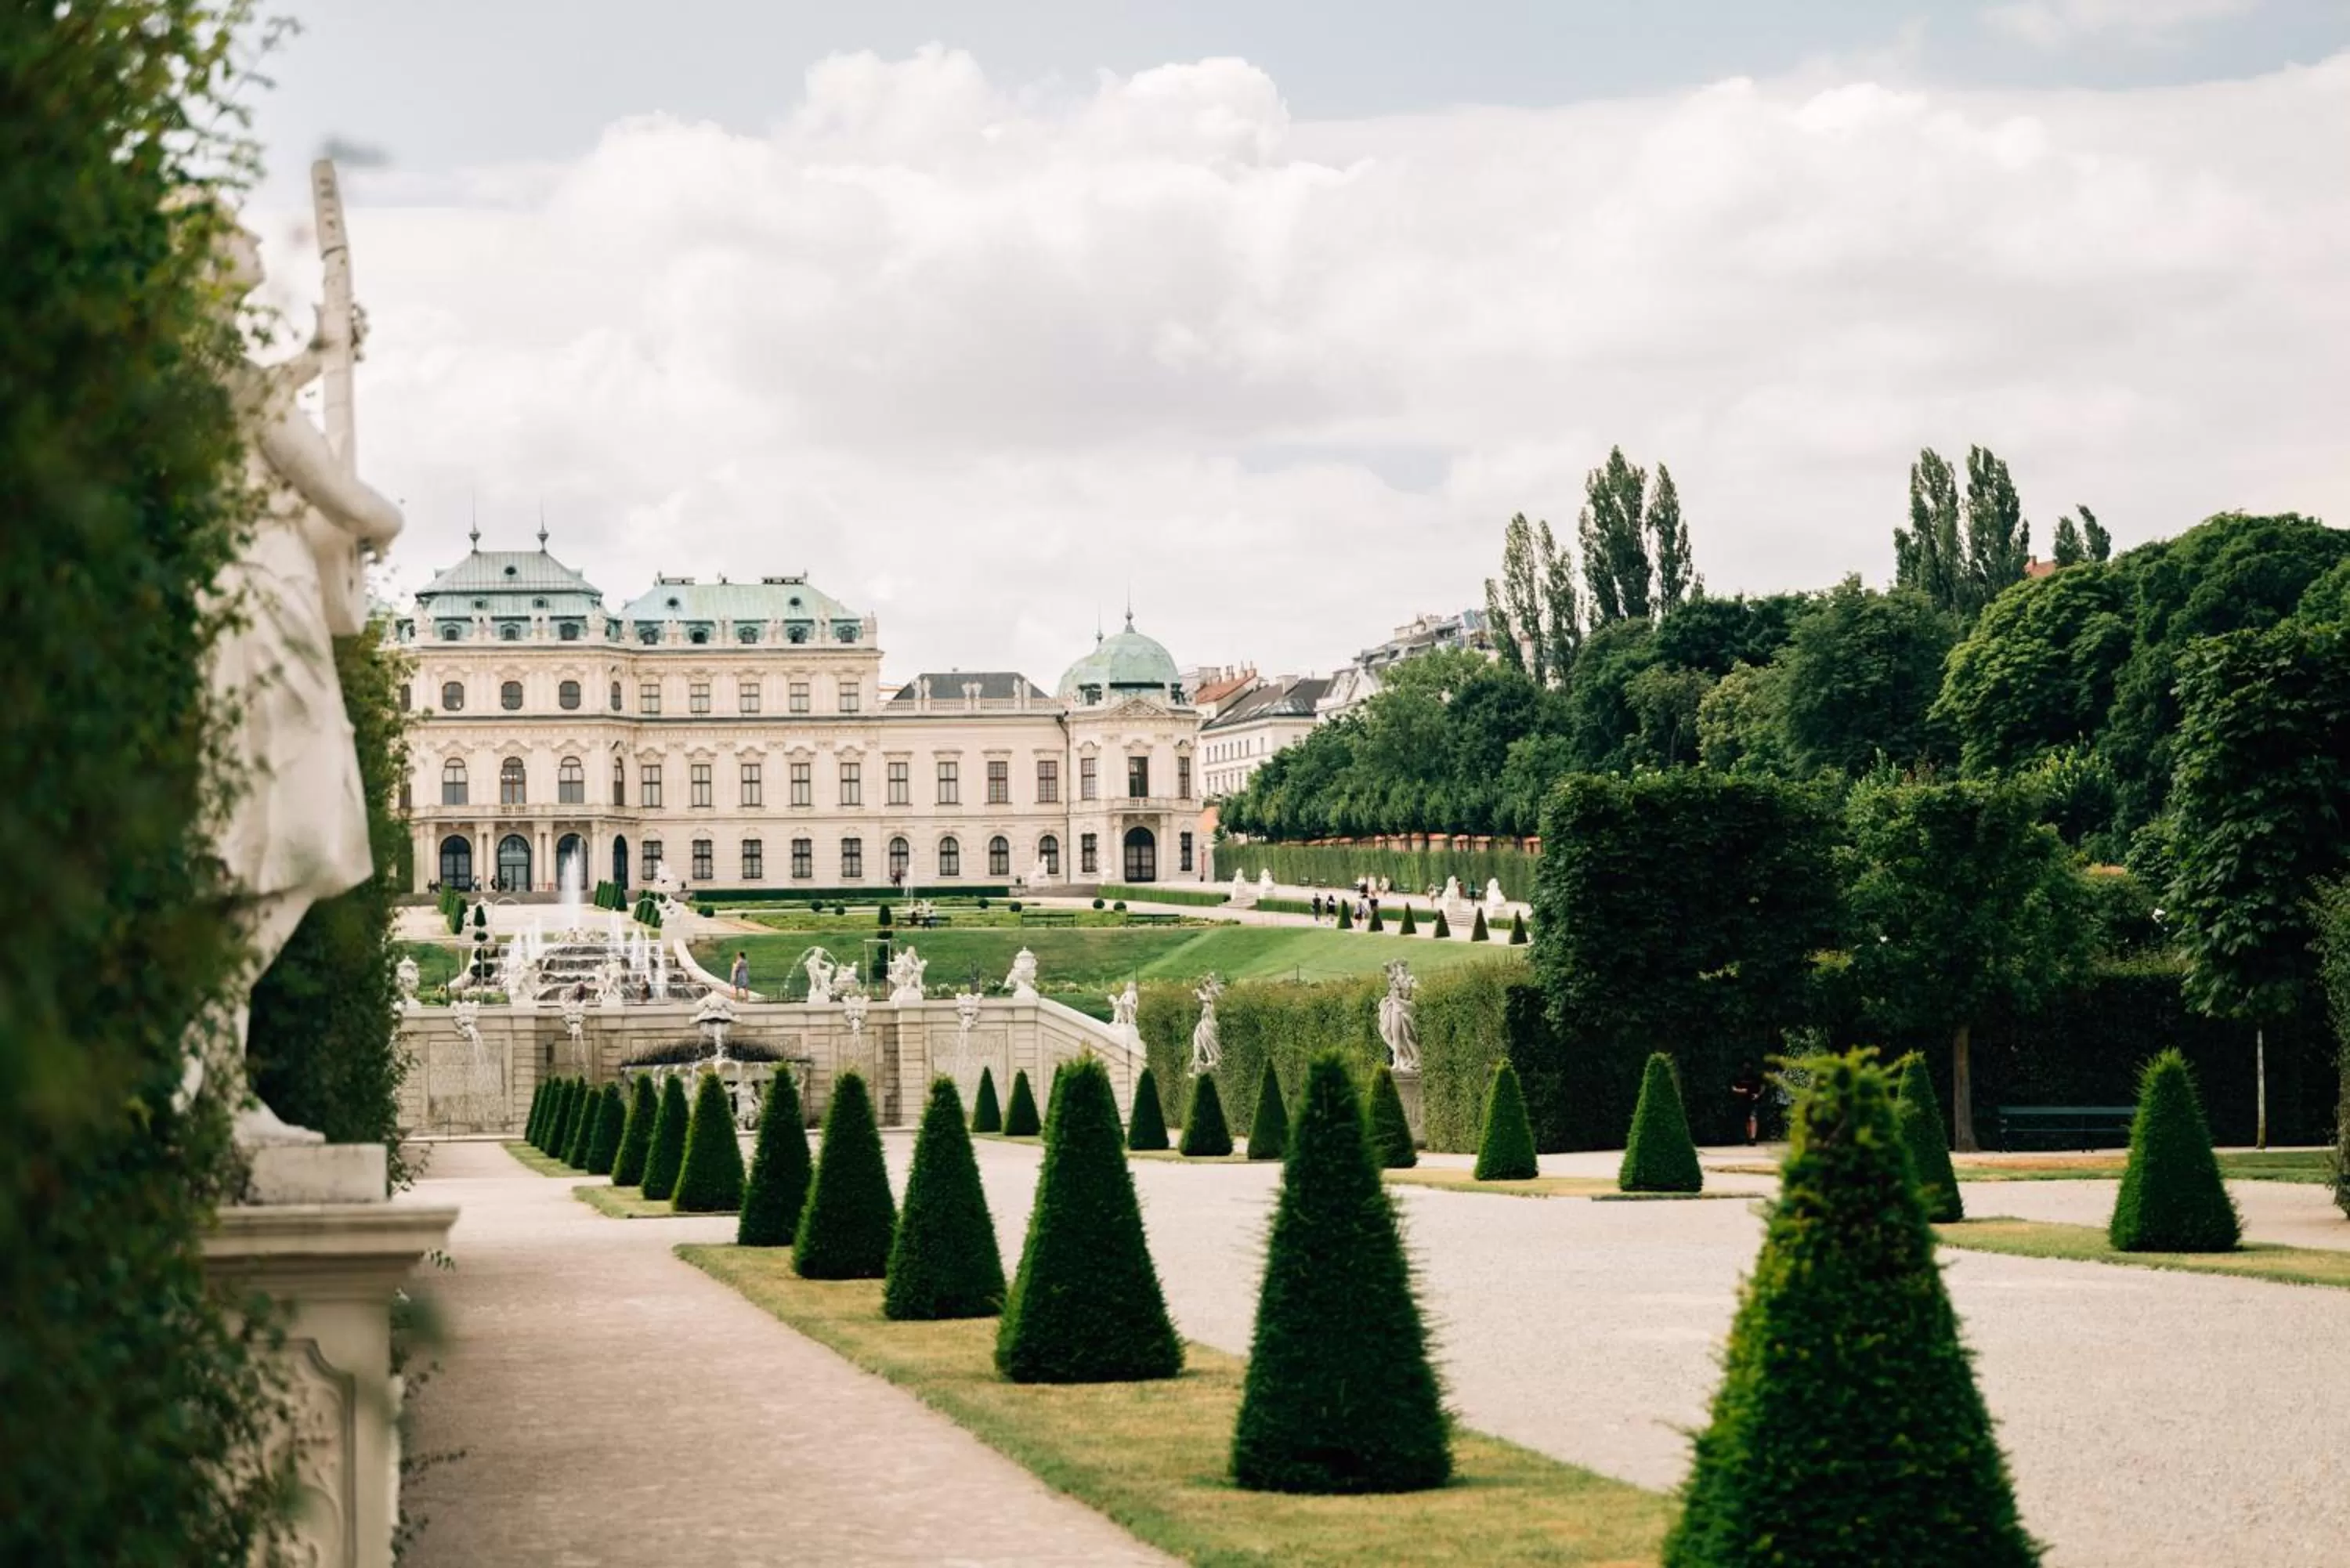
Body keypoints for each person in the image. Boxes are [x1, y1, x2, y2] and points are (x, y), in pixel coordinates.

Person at [1729, 1063, 1764, 1145]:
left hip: (1753, 1100)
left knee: (1753, 1118)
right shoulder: (1738, 1076)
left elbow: (1762, 1086)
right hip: (1743, 1100)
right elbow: (1733, 1088)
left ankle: (1753, 1138)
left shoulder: (1756, 1075)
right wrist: (1741, 1091)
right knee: (1747, 1120)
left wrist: (1758, 1095)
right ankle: (1750, 1138)